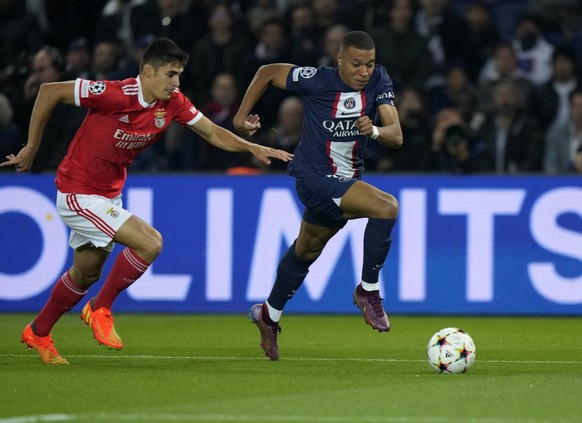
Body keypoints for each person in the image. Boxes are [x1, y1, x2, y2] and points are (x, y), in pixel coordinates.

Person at [1, 37, 292, 365]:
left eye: (179, 75)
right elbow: (49, 91)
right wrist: (31, 147)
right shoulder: (114, 94)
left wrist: (252, 147)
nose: (176, 83)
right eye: (170, 74)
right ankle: (100, 308)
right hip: (78, 190)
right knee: (150, 243)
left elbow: (212, 133)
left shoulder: (174, 102)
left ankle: (38, 332)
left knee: (86, 273)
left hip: (108, 192)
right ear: (148, 72)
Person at [233, 31, 403, 361]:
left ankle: (268, 315)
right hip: (313, 177)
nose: (364, 71)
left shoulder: (378, 79)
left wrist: (376, 131)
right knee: (386, 207)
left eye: (368, 64)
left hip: (345, 180)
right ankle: (367, 291)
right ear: (339, 60)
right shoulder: (316, 80)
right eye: (356, 64)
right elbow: (267, 71)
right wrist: (240, 118)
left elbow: (395, 136)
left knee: (307, 249)